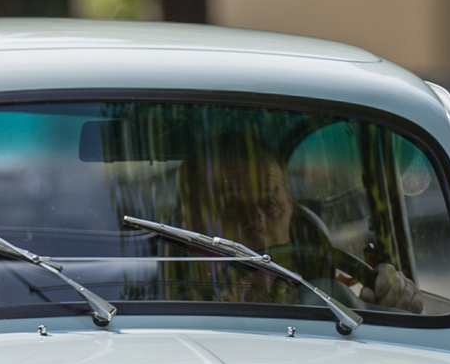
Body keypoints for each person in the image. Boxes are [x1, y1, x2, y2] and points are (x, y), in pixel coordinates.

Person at [172, 133, 423, 313]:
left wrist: (390, 303)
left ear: (290, 216)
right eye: (230, 207)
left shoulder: (331, 308)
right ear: (190, 222)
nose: (255, 220)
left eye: (270, 204)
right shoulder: (159, 309)